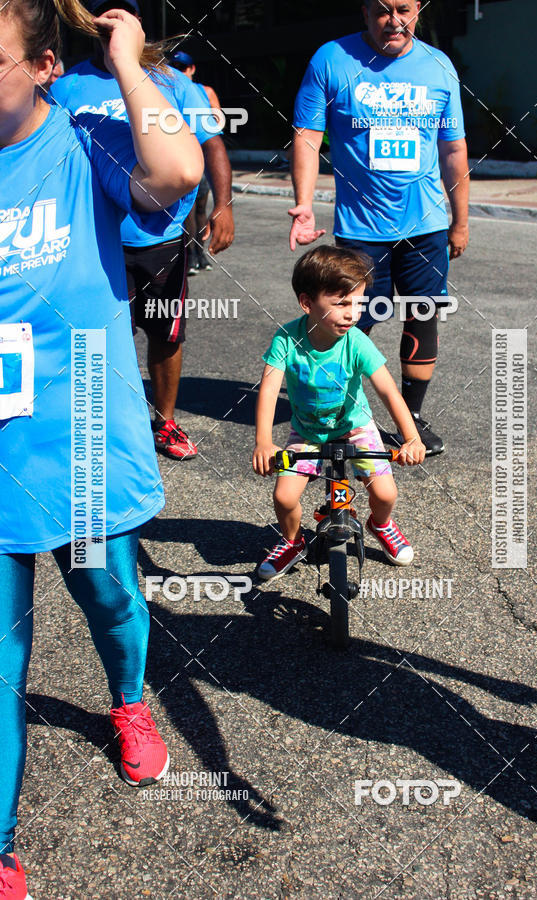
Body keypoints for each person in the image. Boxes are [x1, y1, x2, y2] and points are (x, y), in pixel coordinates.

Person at [0, 1, 204, 896]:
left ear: (44, 65)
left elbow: (177, 171)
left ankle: (127, 702)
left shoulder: (85, 143)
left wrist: (127, 62)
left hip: (78, 436)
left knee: (112, 602)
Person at [51, 1, 234, 461]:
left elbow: (211, 144)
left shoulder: (171, 81)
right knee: (99, 337)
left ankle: (165, 421)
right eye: (103, 16)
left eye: (123, 15)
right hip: (97, 241)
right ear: (88, 25)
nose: (113, 25)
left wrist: (225, 206)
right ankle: (106, 426)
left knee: (166, 334)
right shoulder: (68, 87)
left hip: (162, 241)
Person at [289, 0, 470, 456]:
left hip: (426, 223)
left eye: (404, 8)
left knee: (422, 314)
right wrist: (304, 204)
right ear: (365, 12)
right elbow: (308, 137)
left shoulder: (438, 66)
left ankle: (411, 417)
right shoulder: (331, 59)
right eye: (382, 10)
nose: (394, 20)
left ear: (420, 8)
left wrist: (461, 220)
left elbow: (453, 149)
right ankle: (336, 414)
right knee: (351, 321)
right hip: (361, 228)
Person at [252, 246, 425, 582]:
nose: (353, 313)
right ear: (307, 303)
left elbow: (388, 391)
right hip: (308, 433)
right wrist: (263, 442)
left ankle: (381, 523)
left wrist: (411, 438)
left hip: (354, 428)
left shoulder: (357, 342)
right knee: (284, 496)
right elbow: (269, 390)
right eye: (342, 303)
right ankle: (292, 541)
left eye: (359, 303)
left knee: (386, 492)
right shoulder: (287, 339)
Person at [169, 49, 230, 274]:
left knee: (201, 208)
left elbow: (218, 121)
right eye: (175, 68)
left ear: (192, 69)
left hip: (202, 155)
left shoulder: (205, 91)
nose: (179, 72)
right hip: (182, 156)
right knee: (190, 209)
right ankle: (191, 256)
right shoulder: (168, 90)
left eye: (183, 68)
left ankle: (199, 254)